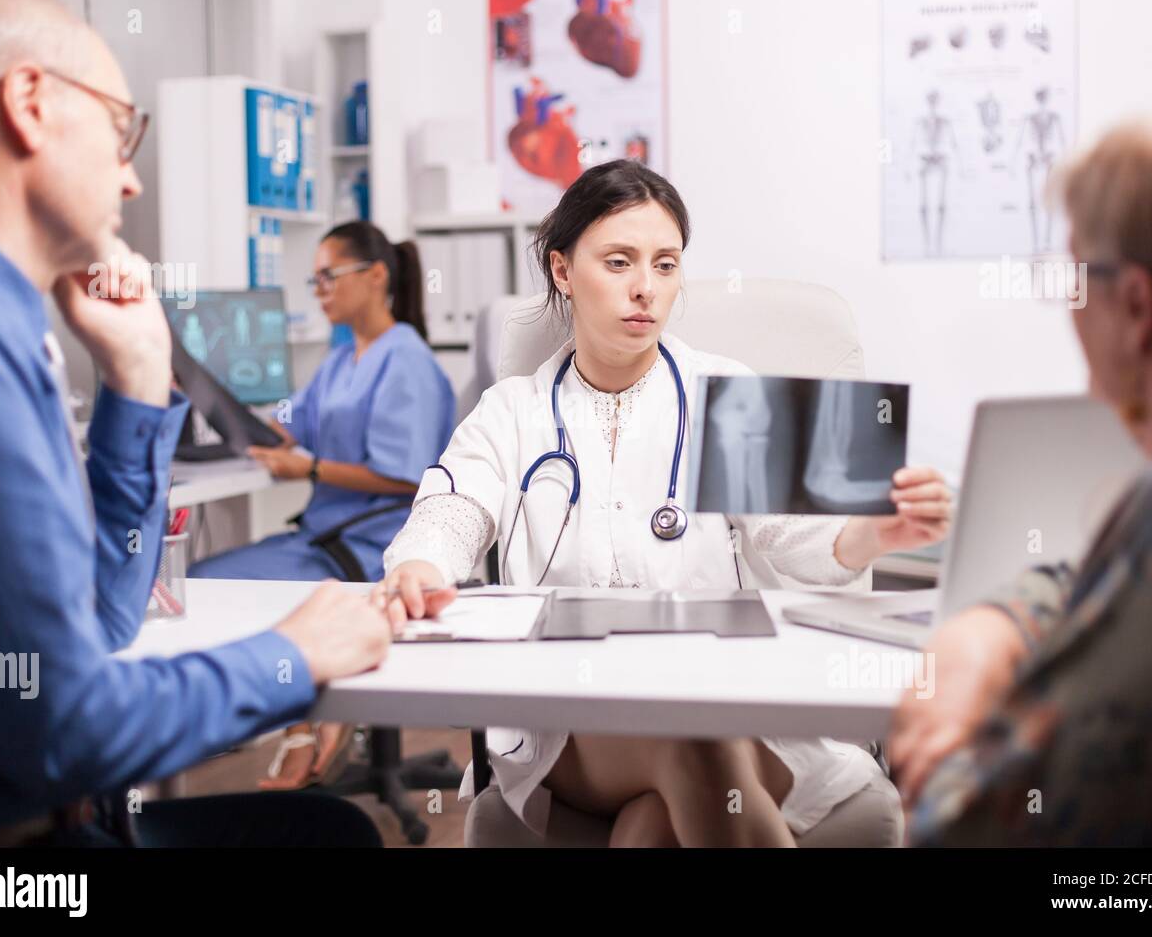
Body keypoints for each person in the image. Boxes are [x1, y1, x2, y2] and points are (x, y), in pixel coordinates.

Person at [0, 0, 417, 846]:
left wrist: (135, 376)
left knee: (323, 829)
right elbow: (68, 732)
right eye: (124, 131)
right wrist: (291, 657)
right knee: (329, 839)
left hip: (35, 814)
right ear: (28, 103)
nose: (129, 173)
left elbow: (106, 620)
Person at [373, 159, 953, 846]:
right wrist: (421, 567)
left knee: (653, 826)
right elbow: (453, 510)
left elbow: (793, 537)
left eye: (666, 265)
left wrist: (872, 535)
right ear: (562, 271)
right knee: (694, 743)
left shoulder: (726, 391)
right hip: (574, 716)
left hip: (730, 696)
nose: (646, 289)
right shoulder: (515, 410)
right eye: (618, 262)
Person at [890, 98, 1152, 846]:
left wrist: (942, 751)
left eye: (1074, 281)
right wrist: (995, 624)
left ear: (1138, 305)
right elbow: (1106, 588)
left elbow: (967, 831)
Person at [189, 221, 455, 584]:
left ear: (376, 275)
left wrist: (309, 469)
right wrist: (196, 387)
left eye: (328, 276)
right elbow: (282, 430)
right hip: (322, 538)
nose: (319, 291)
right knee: (199, 574)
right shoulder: (339, 360)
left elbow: (406, 478)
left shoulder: (407, 361)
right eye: (315, 280)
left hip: (370, 548)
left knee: (202, 580)